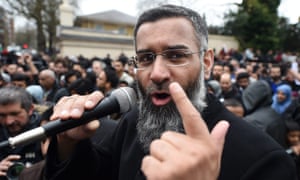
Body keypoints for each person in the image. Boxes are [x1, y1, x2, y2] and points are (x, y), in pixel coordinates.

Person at [44, 5, 297, 180]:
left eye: (176, 56)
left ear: (207, 63)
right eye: (145, 58)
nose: (157, 73)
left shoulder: (265, 160)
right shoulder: (132, 122)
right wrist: (69, 143)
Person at [0, 86, 43, 180]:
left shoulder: (45, 132)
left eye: (15, 114)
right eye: (2, 115)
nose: (8, 121)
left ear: (30, 109)